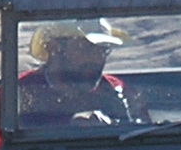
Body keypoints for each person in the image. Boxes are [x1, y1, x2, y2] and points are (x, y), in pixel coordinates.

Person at [13, 21, 145, 125]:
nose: (97, 59)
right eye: (85, 48)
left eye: (103, 50)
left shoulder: (118, 88)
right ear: (54, 48)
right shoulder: (18, 92)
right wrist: (68, 126)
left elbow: (143, 140)